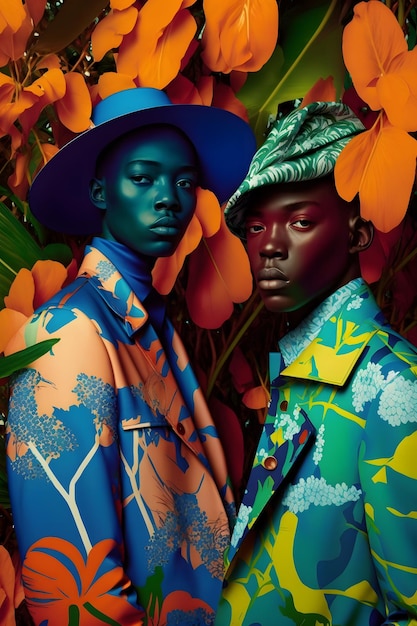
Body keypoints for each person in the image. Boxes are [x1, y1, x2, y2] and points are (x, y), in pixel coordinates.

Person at [4, 87, 256, 625]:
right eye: (142, 178)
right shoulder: (67, 334)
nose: (168, 197)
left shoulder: (157, 327)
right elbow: (76, 592)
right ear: (100, 191)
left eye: (184, 182)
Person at [216, 101, 417, 625]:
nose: (270, 247)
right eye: (255, 228)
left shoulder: (393, 386)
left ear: (357, 233)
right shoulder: (301, 372)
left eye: (301, 220)